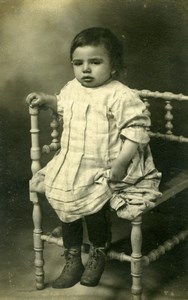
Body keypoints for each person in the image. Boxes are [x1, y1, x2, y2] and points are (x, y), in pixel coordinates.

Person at [26, 27, 161, 289]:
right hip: (74, 160)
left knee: (95, 206)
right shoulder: (72, 88)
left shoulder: (120, 95)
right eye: (79, 63)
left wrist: (121, 163)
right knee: (67, 206)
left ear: (113, 67)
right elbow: (62, 104)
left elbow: (136, 131)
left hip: (107, 164)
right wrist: (47, 100)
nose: (85, 70)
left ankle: (98, 252)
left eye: (95, 62)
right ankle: (73, 256)